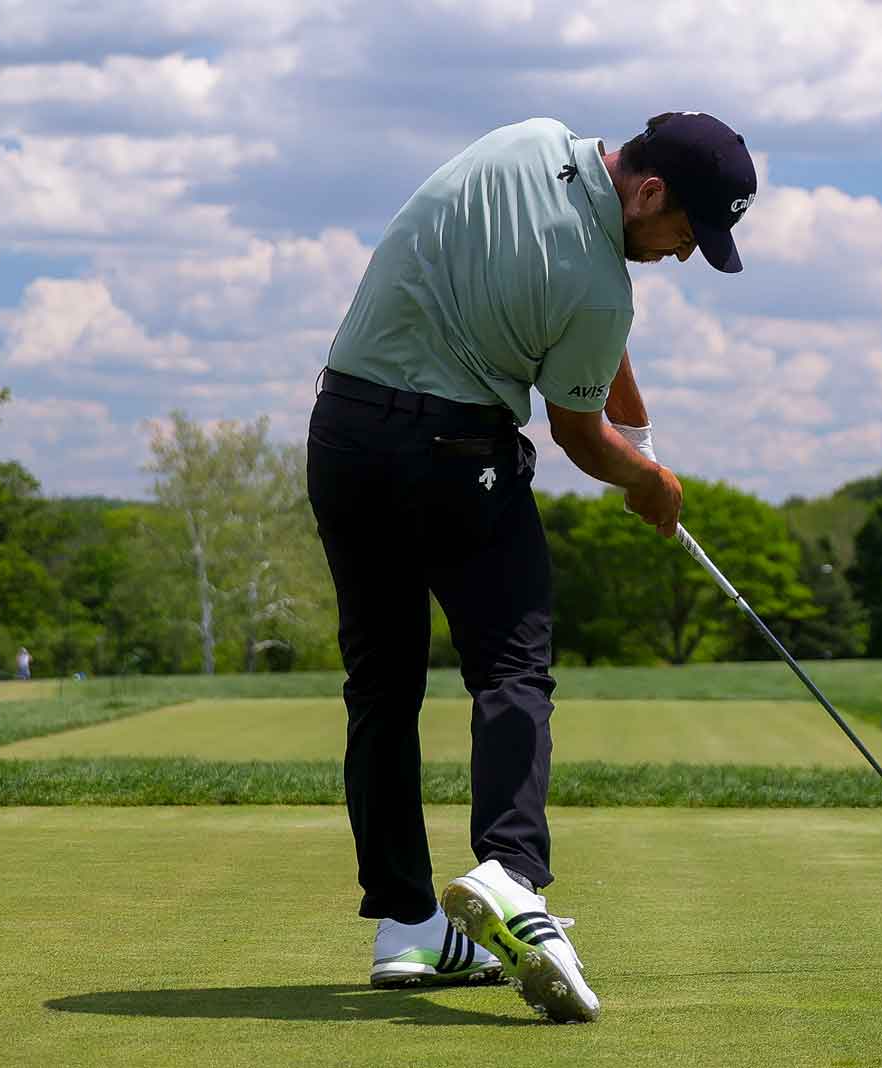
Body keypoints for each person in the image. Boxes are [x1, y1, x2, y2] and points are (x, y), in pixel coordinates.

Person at [308, 112, 755, 1021]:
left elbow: (586, 330)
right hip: (453, 453)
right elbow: (578, 435)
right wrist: (651, 482)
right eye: (683, 235)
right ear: (651, 192)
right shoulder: (599, 291)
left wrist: (636, 422)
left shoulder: (525, 141)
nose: (679, 256)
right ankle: (513, 875)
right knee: (512, 667)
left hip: (344, 435)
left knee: (383, 688)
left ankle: (406, 928)